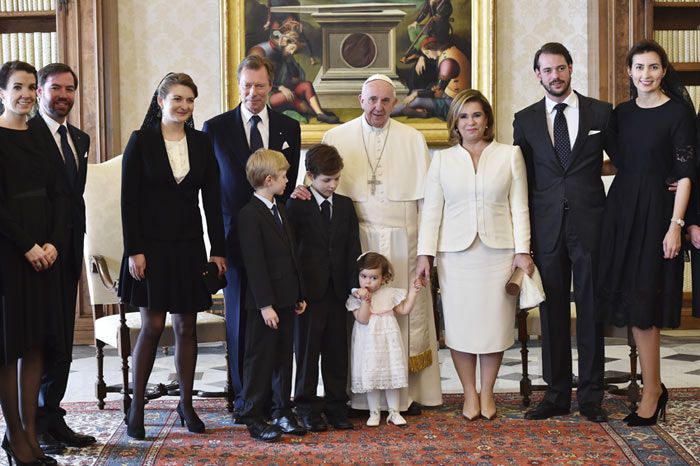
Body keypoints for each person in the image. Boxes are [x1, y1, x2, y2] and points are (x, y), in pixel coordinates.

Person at [319, 74, 443, 413]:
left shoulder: (413, 139)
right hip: (355, 241)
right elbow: (318, 189)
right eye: (372, 99)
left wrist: (425, 253)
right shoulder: (335, 136)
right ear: (361, 100)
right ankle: (357, 393)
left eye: (385, 101)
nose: (378, 107)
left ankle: (408, 394)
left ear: (394, 102)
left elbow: (427, 205)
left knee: (403, 314)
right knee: (358, 315)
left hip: (404, 243)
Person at [118, 73, 227, 439]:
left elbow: (212, 200)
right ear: (161, 99)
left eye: (190, 100)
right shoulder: (141, 140)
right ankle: (135, 408)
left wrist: (219, 250)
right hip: (149, 248)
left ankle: (186, 405)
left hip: (188, 246)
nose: (183, 106)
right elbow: (128, 201)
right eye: (177, 98)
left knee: (186, 327)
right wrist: (134, 249)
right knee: (150, 327)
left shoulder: (201, 142)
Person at [416, 89, 533, 420]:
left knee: (494, 327)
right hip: (455, 256)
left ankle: (488, 394)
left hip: (499, 253)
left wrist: (522, 251)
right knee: (460, 328)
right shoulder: (441, 159)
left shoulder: (510, 155)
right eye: (464, 115)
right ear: (455, 121)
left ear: (487, 120)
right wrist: (425, 255)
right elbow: (432, 211)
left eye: (477, 115)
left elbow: (519, 206)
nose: (470, 121)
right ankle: (470, 394)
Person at [597, 39, 696, 426]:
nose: (646, 75)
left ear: (664, 71)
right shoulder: (620, 114)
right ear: (629, 72)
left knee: (644, 306)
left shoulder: (678, 114)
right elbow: (619, 161)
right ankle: (651, 386)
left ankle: (652, 390)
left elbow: (686, 175)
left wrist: (676, 226)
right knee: (629, 304)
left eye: (653, 67)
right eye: (639, 67)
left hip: (659, 214)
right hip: (622, 211)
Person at [513, 42, 613, 423]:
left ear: (571, 69)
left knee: (590, 308)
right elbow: (521, 177)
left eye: (560, 69)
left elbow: (622, 160)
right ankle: (555, 394)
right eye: (547, 70)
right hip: (547, 227)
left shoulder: (600, 112)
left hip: (590, 225)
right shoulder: (524, 120)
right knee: (551, 310)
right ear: (537, 75)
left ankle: (591, 396)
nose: (555, 76)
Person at [202, 55, 301, 420]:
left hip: (275, 241)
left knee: (278, 324)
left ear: (270, 87)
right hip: (234, 242)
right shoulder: (215, 128)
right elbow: (211, 195)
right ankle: (245, 401)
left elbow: (286, 190)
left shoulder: (289, 128)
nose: (253, 92)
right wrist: (216, 248)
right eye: (246, 85)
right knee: (242, 323)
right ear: (238, 84)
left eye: (260, 86)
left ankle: (279, 403)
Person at [27, 62, 96, 453]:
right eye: (56, 88)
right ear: (40, 91)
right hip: (38, 254)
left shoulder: (79, 138)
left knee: (63, 342)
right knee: (41, 339)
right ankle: (32, 424)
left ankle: (53, 417)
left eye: (70, 89)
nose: (63, 95)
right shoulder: (27, 134)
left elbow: (73, 199)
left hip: (69, 252)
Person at [0, 59, 66, 466]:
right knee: (10, 347)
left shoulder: (41, 135)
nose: (25, 94)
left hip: (46, 252)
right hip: (10, 253)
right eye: (17, 87)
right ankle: (16, 437)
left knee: (36, 343)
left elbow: (60, 193)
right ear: (3, 93)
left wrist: (53, 242)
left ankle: (28, 433)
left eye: (30, 87)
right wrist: (28, 246)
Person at [286, 143, 361, 432]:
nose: (332, 185)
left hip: (338, 291)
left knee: (336, 351)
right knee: (307, 352)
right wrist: (296, 291)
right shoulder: (296, 204)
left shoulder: (345, 205)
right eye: (326, 180)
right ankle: (305, 407)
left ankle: (336, 406)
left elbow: (353, 246)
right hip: (308, 293)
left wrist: (355, 286)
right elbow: (290, 249)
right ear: (310, 177)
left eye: (336, 179)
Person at [237, 148, 307, 442]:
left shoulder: (278, 208)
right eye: (284, 176)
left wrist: (298, 293)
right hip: (264, 304)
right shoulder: (249, 215)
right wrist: (266, 305)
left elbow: (291, 255)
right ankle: (253, 415)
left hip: (287, 298)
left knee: (282, 358)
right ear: (268, 180)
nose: (287, 181)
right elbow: (254, 264)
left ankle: (282, 410)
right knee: (260, 359)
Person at [346, 252, 425, 427]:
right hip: (368, 344)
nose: (367, 281)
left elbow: (404, 310)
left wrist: (413, 292)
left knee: (392, 375)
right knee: (372, 376)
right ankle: (374, 412)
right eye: (363, 276)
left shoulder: (390, 293)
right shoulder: (355, 298)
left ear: (383, 278)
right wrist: (366, 300)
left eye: (373, 277)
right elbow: (362, 319)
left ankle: (394, 412)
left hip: (388, 341)